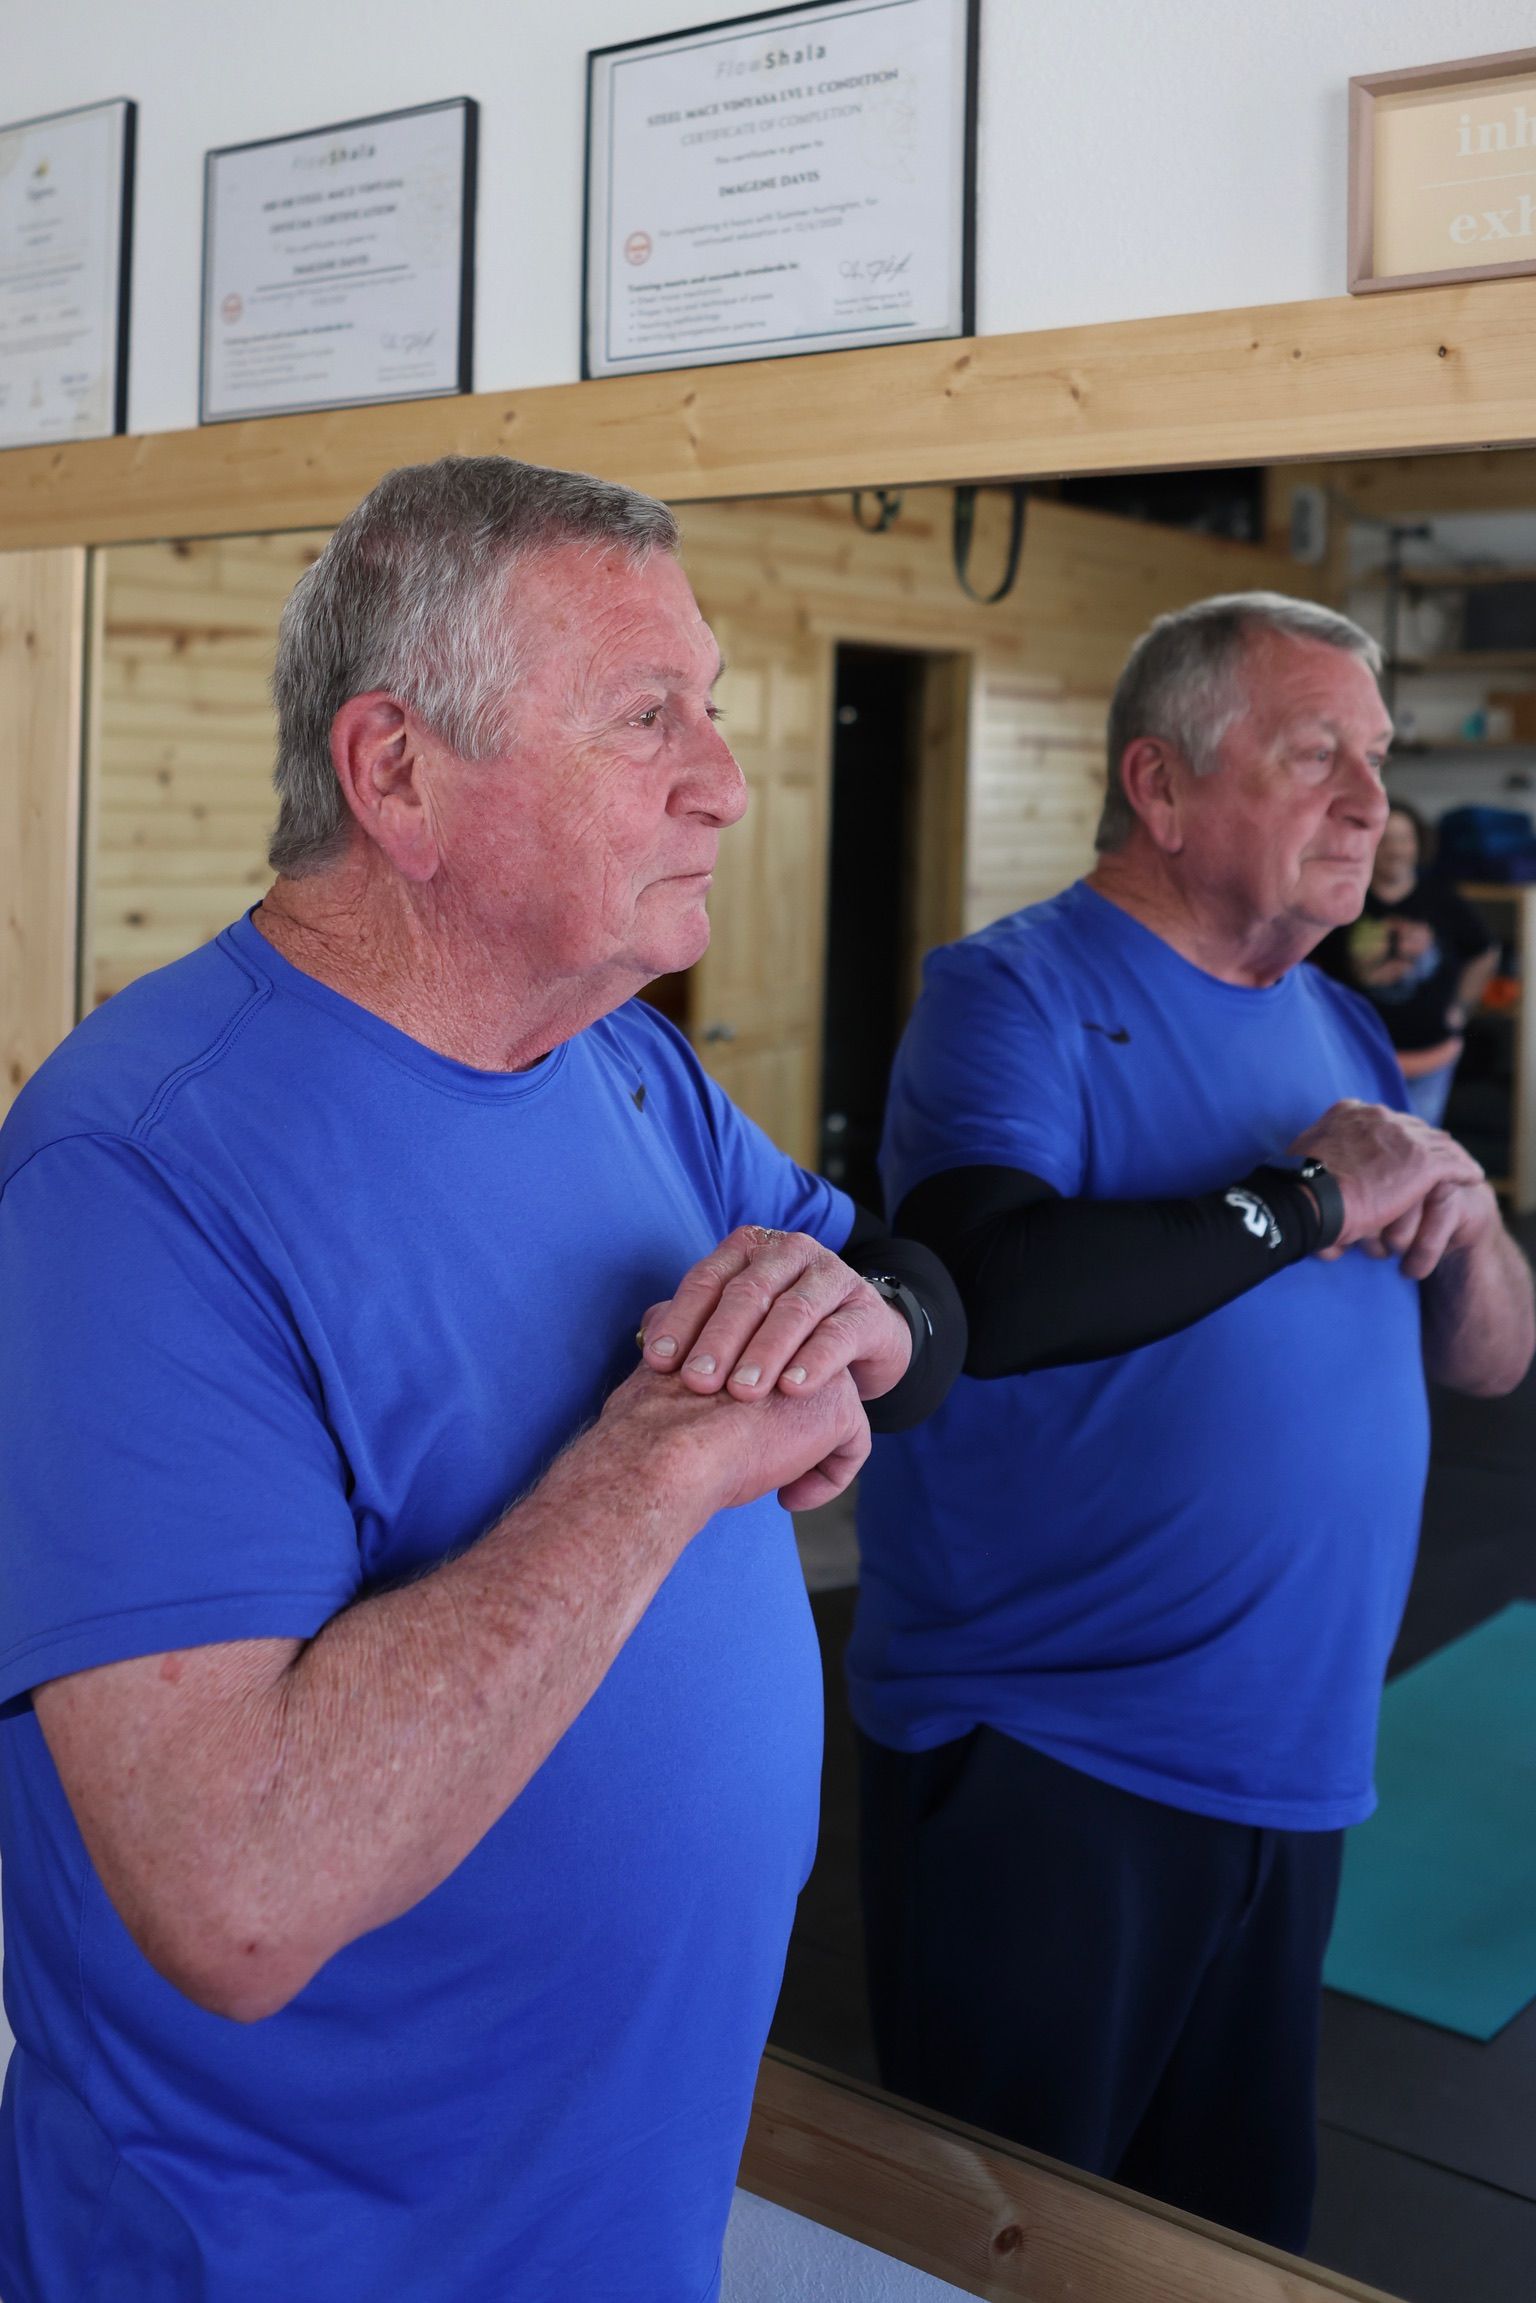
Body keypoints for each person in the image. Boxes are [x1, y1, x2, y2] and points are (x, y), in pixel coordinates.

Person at [0, 456, 963, 2303]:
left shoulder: (621, 1068)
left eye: (711, 709)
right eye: (643, 717)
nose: (724, 779)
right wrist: (667, 1459)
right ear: (397, 776)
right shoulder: (130, 1177)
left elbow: (850, 1290)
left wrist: (862, 1323)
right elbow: (240, 1890)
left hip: (612, 2225)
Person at [849, 593, 1534, 2253]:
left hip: (1290, 1761)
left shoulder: (1341, 1020)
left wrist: (1465, 1221)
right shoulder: (1010, 993)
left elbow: (1496, 1361)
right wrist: (1312, 1192)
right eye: (1318, 756)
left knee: (1224, 2246)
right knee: (1005, 2245)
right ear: (1160, 787)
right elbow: (985, 1288)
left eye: (1375, 761)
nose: (1373, 803)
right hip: (1048, 1757)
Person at [1312, 800, 1498, 1125]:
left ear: (1418, 844)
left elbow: (1484, 951)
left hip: (1429, 1059)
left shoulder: (1442, 898)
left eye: (1404, 839)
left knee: (1418, 1154)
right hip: (1354, 1060)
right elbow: (1309, 968)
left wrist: (1461, 1008)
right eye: (1385, 839)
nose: (1396, 849)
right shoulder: (1343, 899)